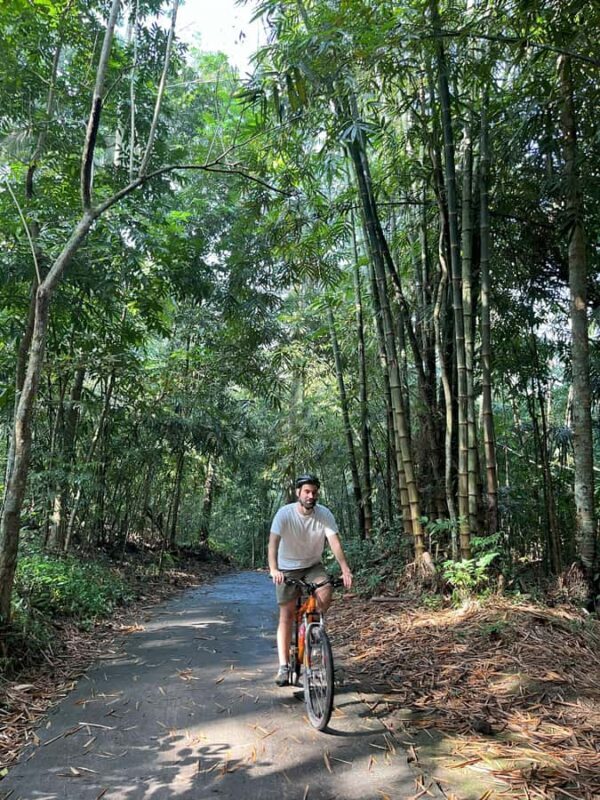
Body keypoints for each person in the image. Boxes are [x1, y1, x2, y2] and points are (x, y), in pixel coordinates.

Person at [268, 473, 353, 686]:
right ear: (298, 493)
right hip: (287, 568)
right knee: (286, 615)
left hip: (312, 565)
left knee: (325, 590)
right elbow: (272, 543)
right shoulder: (284, 514)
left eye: (314, 492)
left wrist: (345, 568)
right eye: (306, 491)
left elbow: (334, 542)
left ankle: (312, 627)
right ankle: (283, 666)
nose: (310, 495)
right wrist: (273, 569)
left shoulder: (324, 514)